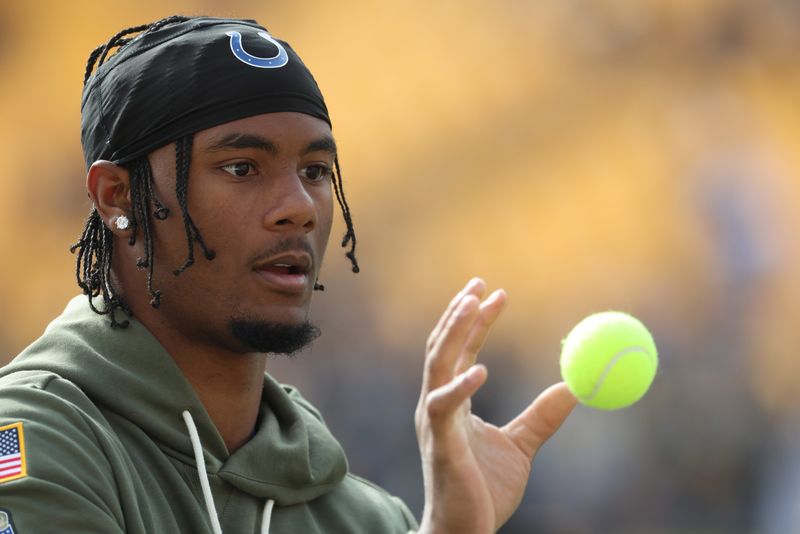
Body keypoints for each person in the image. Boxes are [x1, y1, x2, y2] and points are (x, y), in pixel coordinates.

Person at [0, 15, 576, 533]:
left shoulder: (366, 518)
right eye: (241, 167)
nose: (299, 207)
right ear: (118, 196)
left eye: (316, 171)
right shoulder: (33, 439)